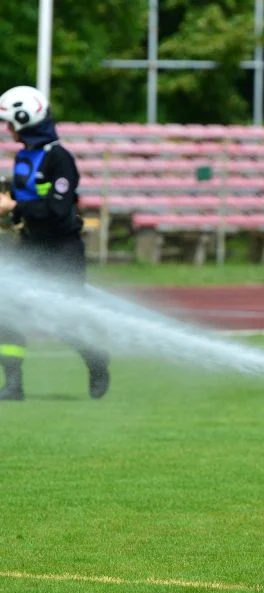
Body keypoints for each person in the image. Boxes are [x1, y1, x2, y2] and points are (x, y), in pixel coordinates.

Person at [0, 85, 110, 401]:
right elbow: (24, 205)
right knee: (5, 313)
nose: (8, 130)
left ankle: (96, 360)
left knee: (61, 320)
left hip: (62, 250)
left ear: (25, 121)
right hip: (31, 246)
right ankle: (13, 384)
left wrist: (15, 208)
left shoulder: (60, 160)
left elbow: (58, 210)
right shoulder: (25, 157)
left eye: (11, 123)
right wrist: (10, 213)